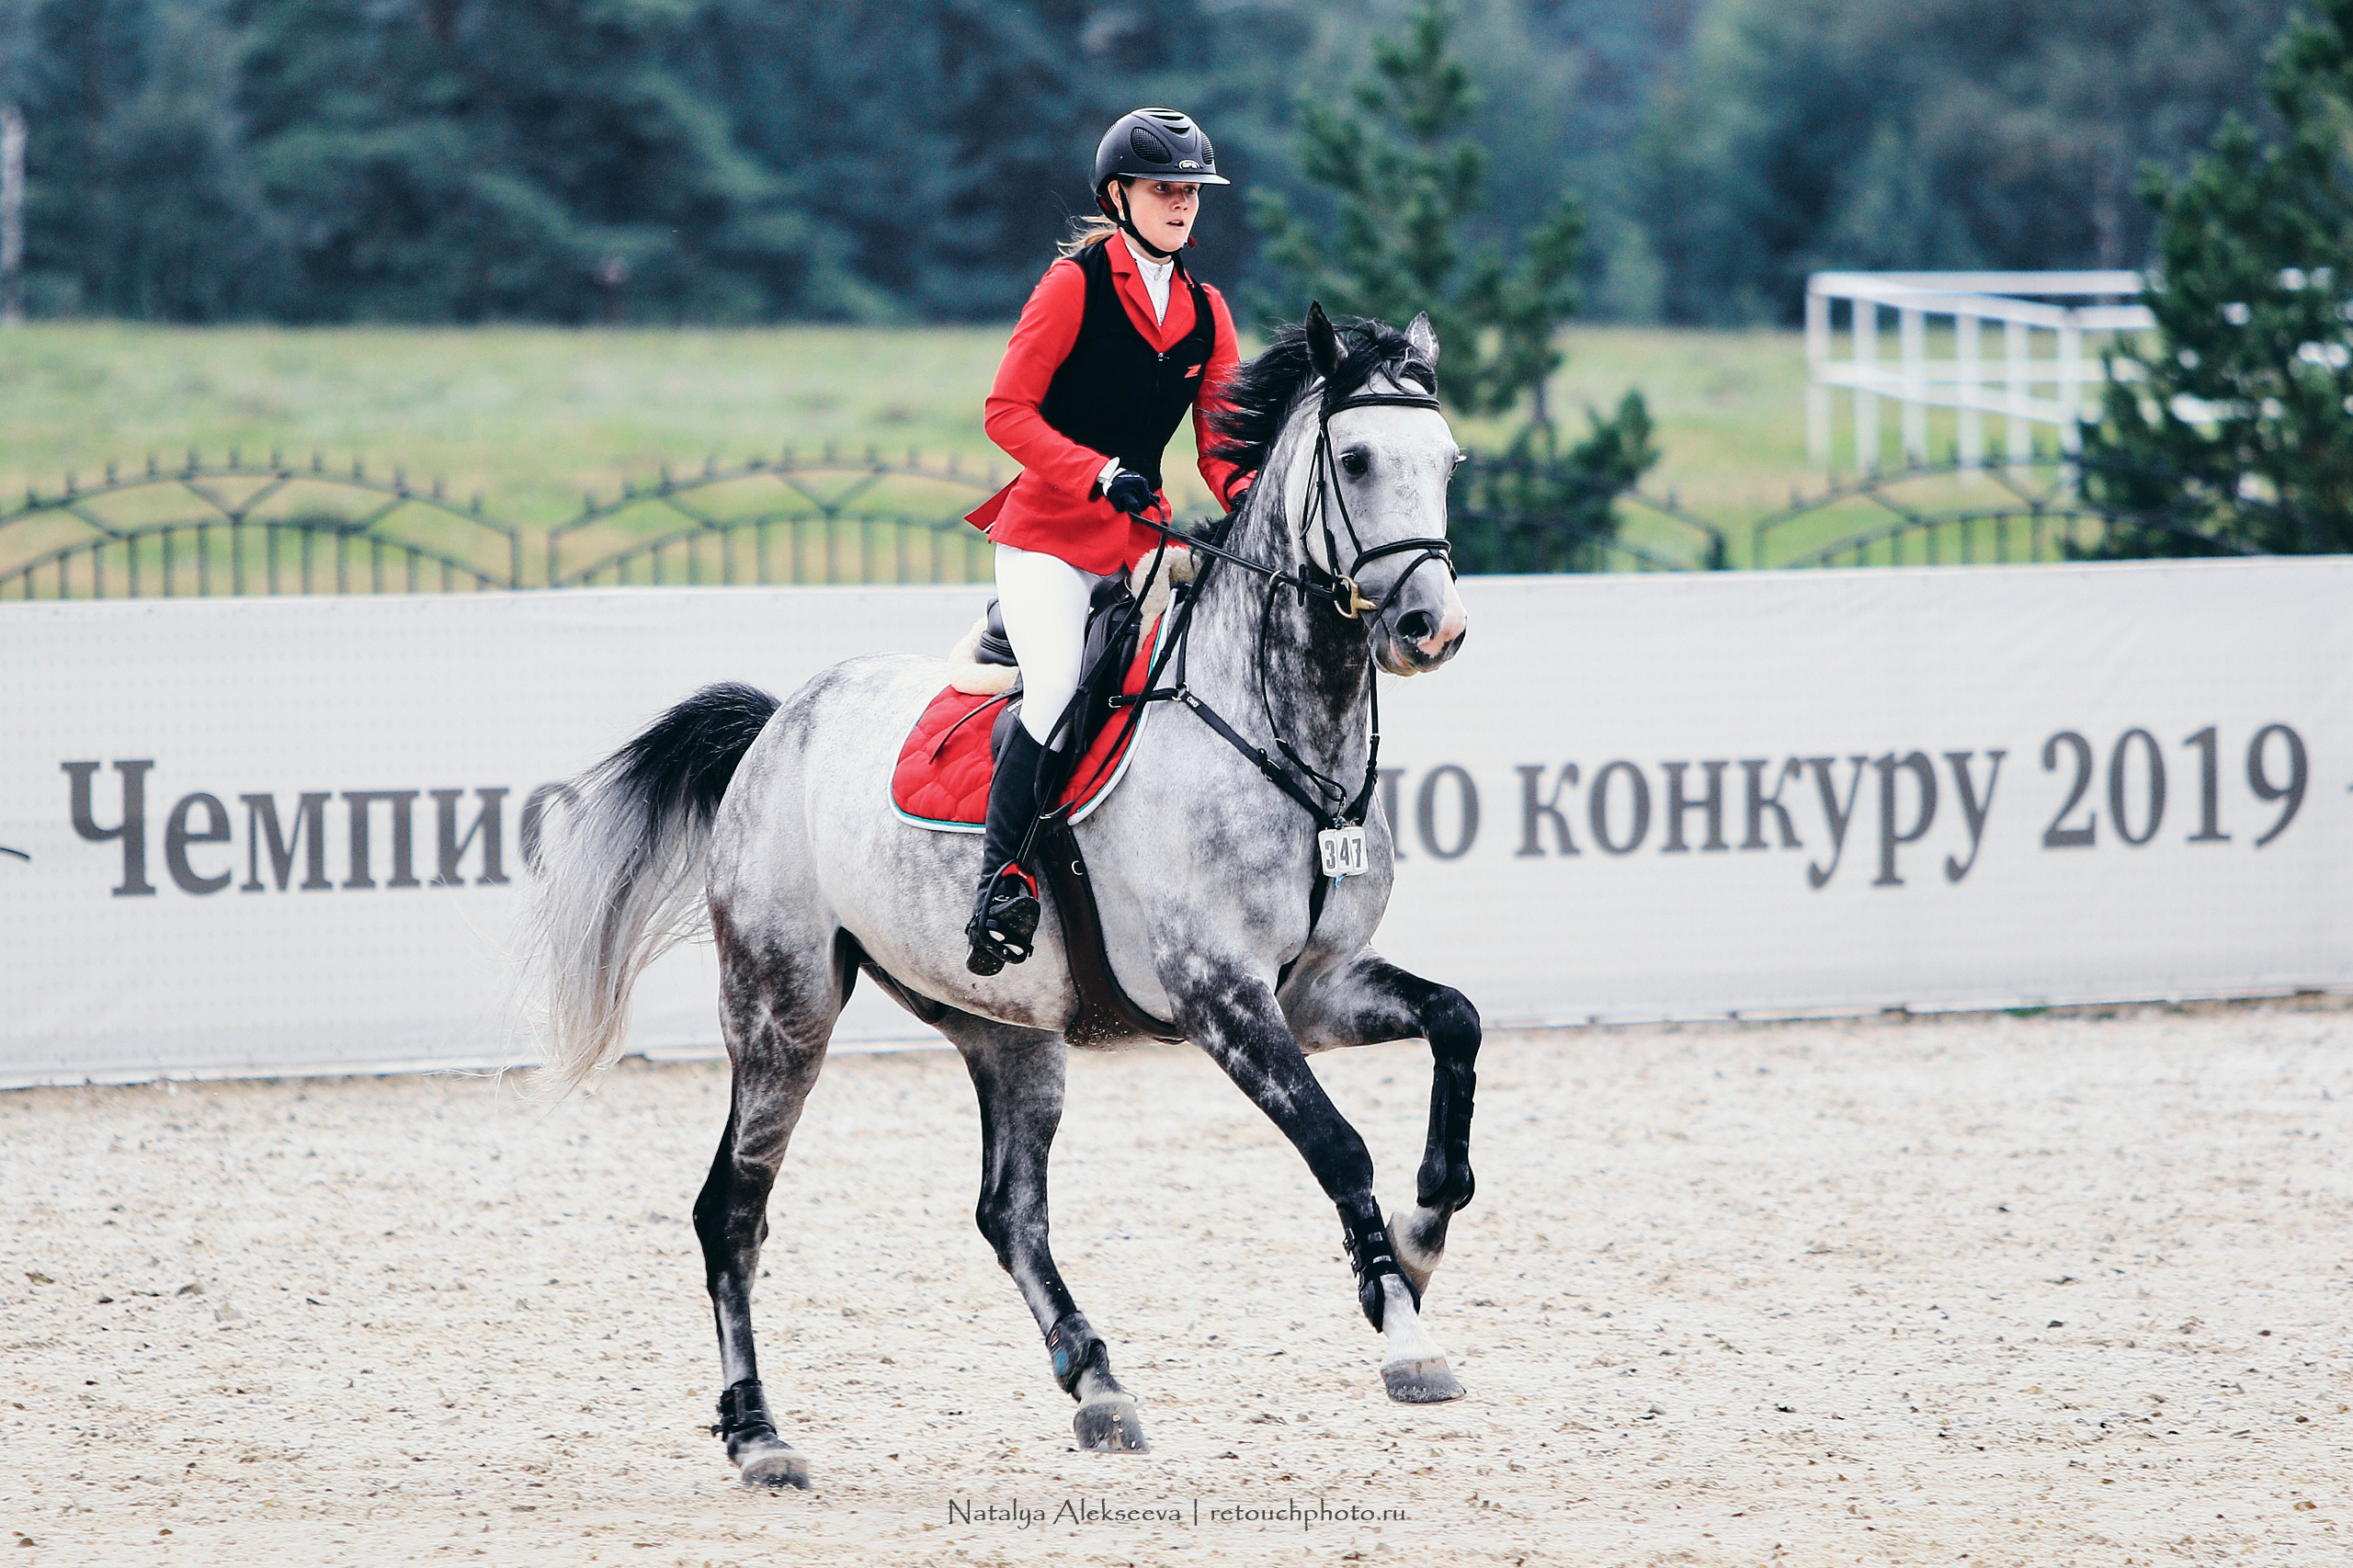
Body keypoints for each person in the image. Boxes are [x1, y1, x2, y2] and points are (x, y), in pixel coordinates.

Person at [959, 107, 1253, 976]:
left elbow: (1223, 444)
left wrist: (1248, 503)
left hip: (1138, 550)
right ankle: (999, 884)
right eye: (1165, 189)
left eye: (1192, 191)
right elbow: (1005, 412)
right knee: (1055, 690)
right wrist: (1094, 473)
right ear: (1118, 195)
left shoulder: (1207, 310)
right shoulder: (1074, 285)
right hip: (1050, 537)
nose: (1182, 204)